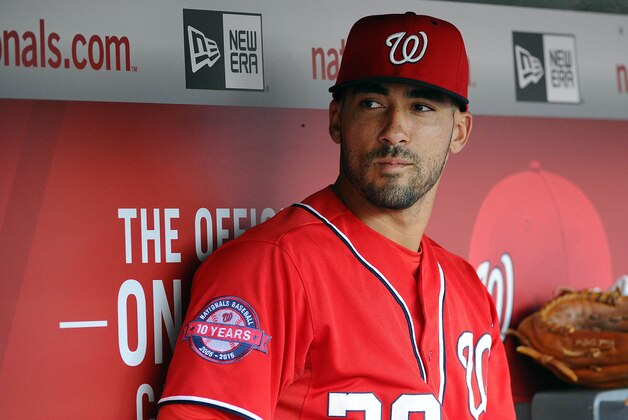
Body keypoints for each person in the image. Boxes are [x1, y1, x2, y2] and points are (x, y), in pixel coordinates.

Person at [158, 12, 515, 419]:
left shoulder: (469, 291)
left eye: (421, 107)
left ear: (460, 132)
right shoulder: (271, 266)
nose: (395, 130)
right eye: (372, 103)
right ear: (335, 120)